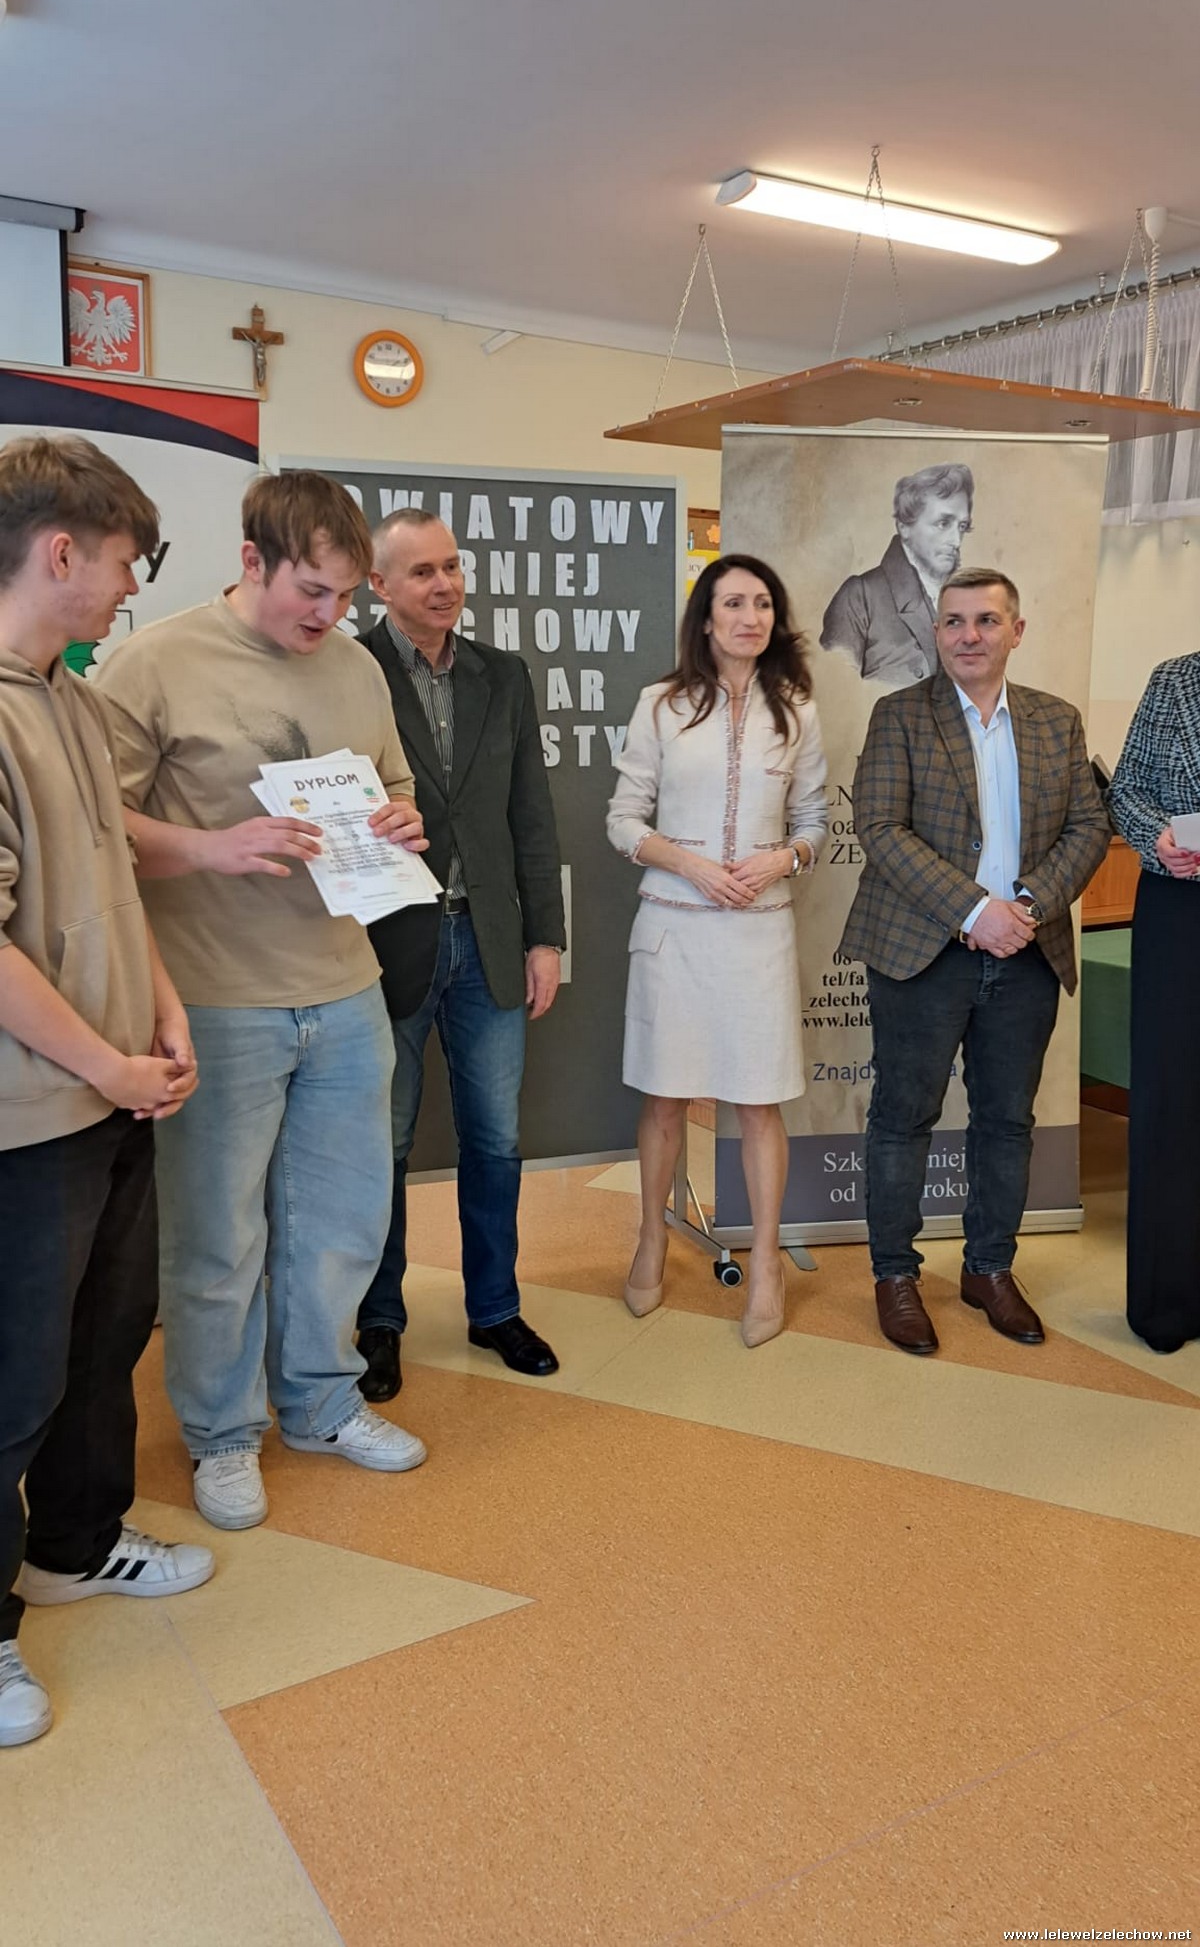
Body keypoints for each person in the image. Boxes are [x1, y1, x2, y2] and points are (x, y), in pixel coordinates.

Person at [96, 472, 430, 1533]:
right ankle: (221, 1430)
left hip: (345, 987)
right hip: (215, 997)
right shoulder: (154, 663)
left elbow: (394, 786)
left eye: (345, 596)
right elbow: (93, 825)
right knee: (217, 1234)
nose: (328, 615)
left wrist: (400, 821)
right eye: (310, 592)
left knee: (342, 1219)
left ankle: (322, 1400)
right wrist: (212, 847)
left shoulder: (357, 667)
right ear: (252, 561)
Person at [0, 435, 213, 1751]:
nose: (135, 583)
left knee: (106, 1333)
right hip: (32, 1115)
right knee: (12, 1373)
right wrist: (102, 1059)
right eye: (130, 557)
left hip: (118, 1088)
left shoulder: (70, 697)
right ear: (61, 549)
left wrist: (164, 1009)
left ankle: (74, 1543)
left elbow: (114, 885)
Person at [842, 565, 1110, 1355]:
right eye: (954, 621)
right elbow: (880, 827)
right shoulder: (899, 715)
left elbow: (1089, 826)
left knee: (1006, 1120)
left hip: (1026, 950)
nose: (969, 635)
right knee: (903, 1118)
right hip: (923, 951)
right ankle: (896, 1275)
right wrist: (973, 911)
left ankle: (989, 1267)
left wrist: (1024, 907)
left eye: (987, 620)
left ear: (1016, 631)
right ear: (936, 632)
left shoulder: (1056, 720)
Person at [355, 509, 566, 1397]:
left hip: (489, 938)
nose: (445, 584)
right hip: (386, 944)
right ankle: (379, 1321)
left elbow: (530, 813)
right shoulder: (348, 670)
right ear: (379, 585)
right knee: (384, 1140)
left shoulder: (503, 674)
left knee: (495, 1137)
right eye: (422, 572)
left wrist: (546, 935)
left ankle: (494, 1308)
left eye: (452, 566)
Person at [606, 554, 828, 1348]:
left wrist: (782, 859)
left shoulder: (796, 711)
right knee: (665, 1096)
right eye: (733, 603)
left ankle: (766, 1262)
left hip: (760, 929)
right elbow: (623, 820)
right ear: (706, 619)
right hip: (676, 926)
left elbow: (814, 821)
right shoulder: (660, 704)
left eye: (762, 603)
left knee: (759, 1100)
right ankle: (651, 1237)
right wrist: (692, 864)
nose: (750, 617)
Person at [1107, 656, 1200, 1353]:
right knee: (1171, 1099)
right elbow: (1127, 790)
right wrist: (1157, 837)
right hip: (1179, 909)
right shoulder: (1174, 681)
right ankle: (1167, 1301)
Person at [820, 462, 974, 685]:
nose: (956, 541)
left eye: (962, 526)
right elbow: (835, 692)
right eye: (943, 523)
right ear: (904, 526)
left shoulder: (967, 600)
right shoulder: (861, 597)